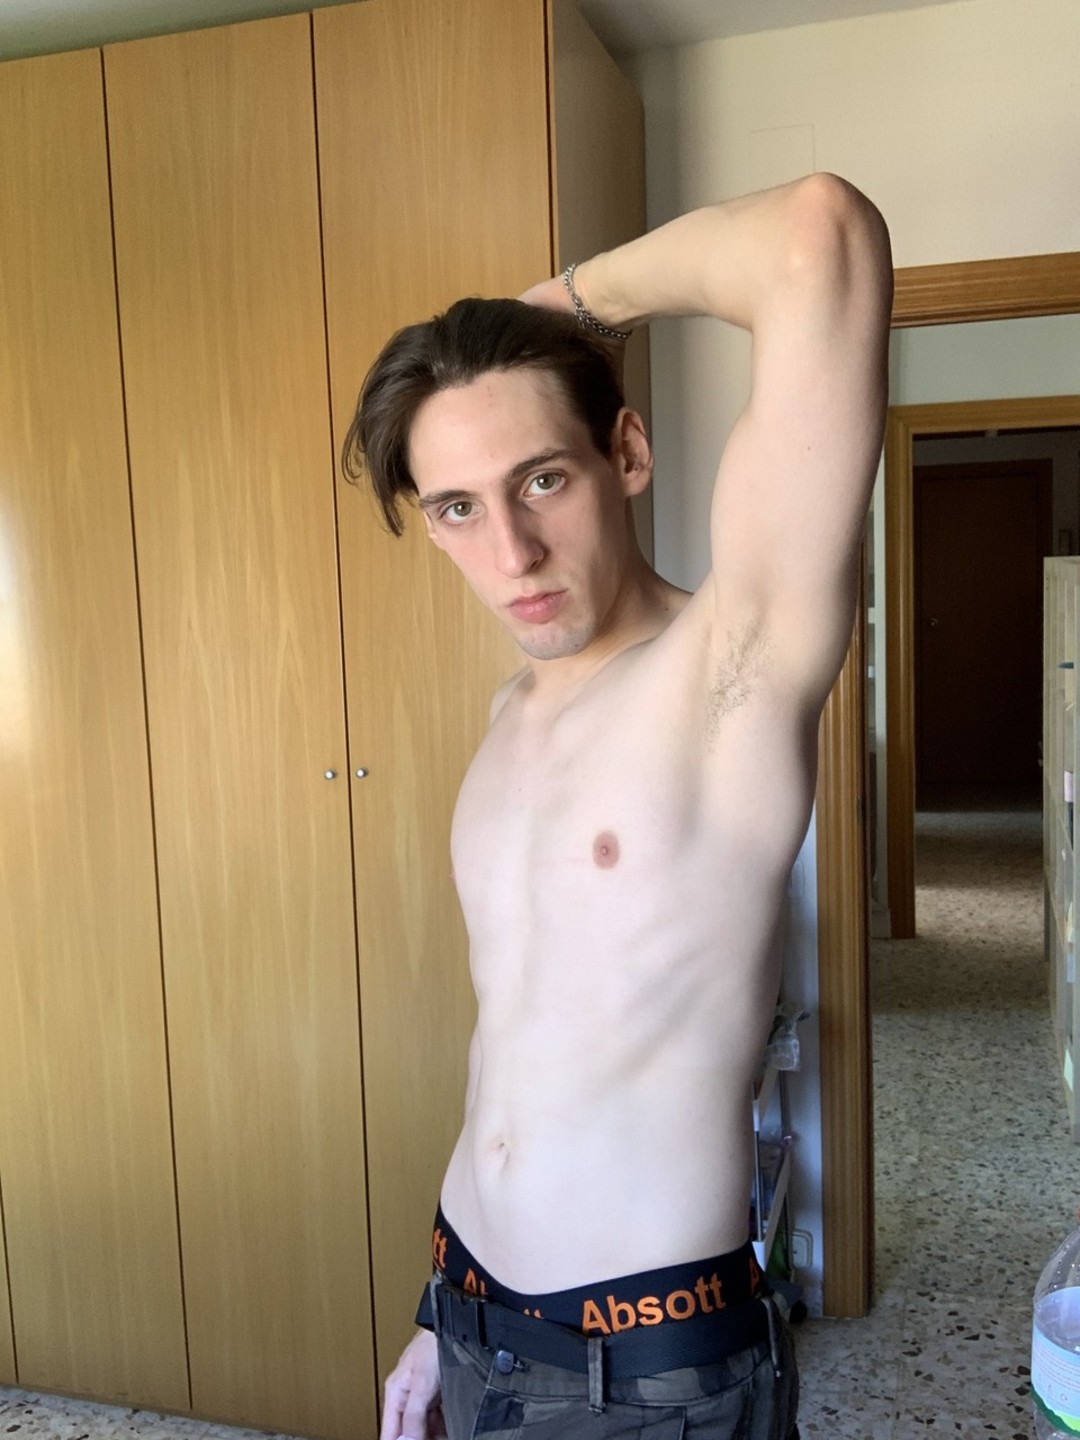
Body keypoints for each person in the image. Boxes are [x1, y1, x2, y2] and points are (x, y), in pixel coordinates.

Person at [345, 172, 892, 1440]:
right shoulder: (510, 718)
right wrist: (437, 1312)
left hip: (637, 1377)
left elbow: (818, 236)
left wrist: (565, 305)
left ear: (627, 454)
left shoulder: (728, 675)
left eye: (542, 480)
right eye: (460, 508)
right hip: (472, 1315)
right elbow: (520, 1046)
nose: (512, 555)